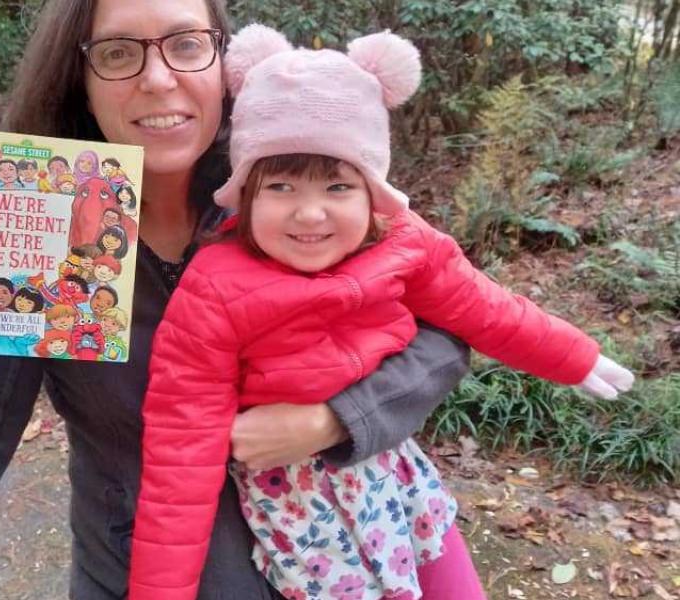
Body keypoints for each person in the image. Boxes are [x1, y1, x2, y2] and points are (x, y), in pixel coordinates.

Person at [0, 2, 472, 599]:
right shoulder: (38, 230)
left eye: (186, 45)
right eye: (117, 53)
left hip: (357, 556)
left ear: (224, 62)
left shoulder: (290, 186)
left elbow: (444, 334)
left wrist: (334, 421)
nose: (159, 78)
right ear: (80, 82)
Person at [129, 25, 635, 600]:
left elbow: (486, 308)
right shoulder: (215, 288)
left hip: (396, 475)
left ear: (373, 193)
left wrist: (573, 356)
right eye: (282, 186)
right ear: (245, 195)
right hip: (302, 513)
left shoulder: (405, 245)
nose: (310, 213)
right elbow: (180, 448)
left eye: (339, 186)